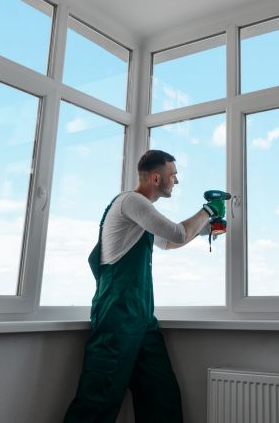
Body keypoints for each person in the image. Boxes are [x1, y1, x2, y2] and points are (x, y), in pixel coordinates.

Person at [64, 149, 226, 423]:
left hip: (141, 320)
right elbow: (176, 231)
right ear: (155, 177)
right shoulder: (133, 203)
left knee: (161, 398)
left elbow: (169, 242)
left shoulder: (142, 213)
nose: (176, 181)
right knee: (97, 401)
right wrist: (208, 209)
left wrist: (208, 229)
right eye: (172, 175)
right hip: (117, 317)